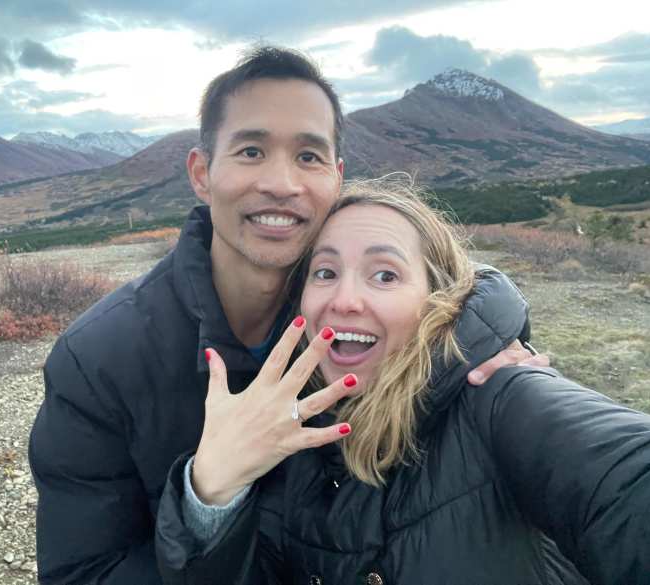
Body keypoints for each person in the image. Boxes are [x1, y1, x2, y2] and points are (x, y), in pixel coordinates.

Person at [29, 47, 545, 584]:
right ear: (202, 174)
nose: (282, 183)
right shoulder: (98, 359)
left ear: (337, 178)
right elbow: (80, 572)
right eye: (251, 151)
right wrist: (206, 495)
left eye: (308, 157)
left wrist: (484, 347)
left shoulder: (354, 313)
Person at [155, 182, 650, 585]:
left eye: (385, 276)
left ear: (439, 299)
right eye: (325, 271)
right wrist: (212, 491)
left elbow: (628, 481)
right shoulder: (286, 436)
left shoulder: (502, 395)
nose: (345, 299)